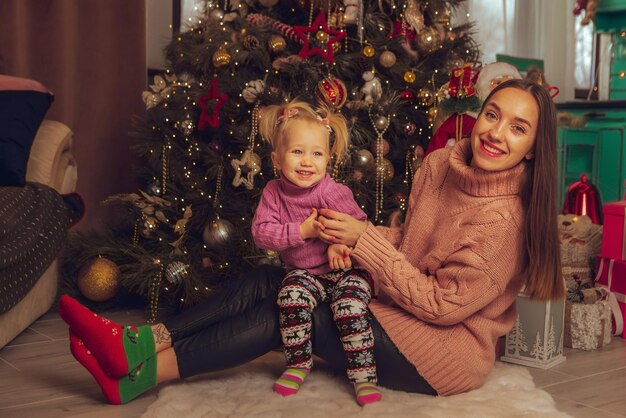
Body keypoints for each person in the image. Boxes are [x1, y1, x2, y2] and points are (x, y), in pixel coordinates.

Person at [58, 78, 564, 406]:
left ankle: (138, 375)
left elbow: (442, 304)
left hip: (440, 349)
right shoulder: (439, 165)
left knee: (288, 313)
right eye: (493, 114)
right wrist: (345, 236)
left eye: (518, 128)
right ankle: (143, 342)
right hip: (396, 306)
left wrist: (363, 238)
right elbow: (410, 243)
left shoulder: (504, 221)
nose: (496, 133)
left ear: (533, 148)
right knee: (270, 277)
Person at [251, 100, 381, 405]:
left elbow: (360, 227)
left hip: (346, 271)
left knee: (349, 307)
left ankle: (363, 375)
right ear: (277, 159)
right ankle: (298, 363)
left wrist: (340, 243)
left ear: (328, 160)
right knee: (290, 296)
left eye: (317, 153)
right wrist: (302, 232)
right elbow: (261, 234)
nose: (307, 162)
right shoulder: (274, 192)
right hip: (306, 274)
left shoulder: (331, 192)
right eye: (297, 151)